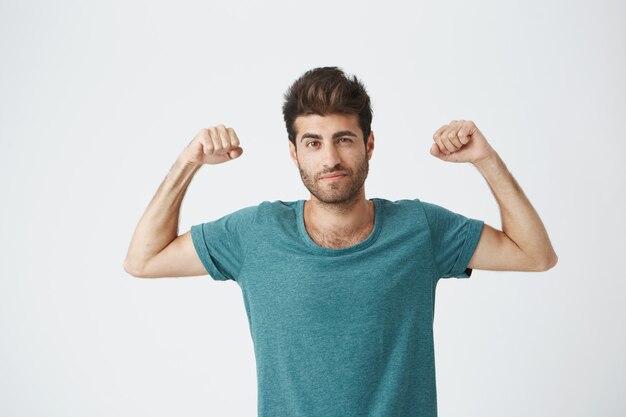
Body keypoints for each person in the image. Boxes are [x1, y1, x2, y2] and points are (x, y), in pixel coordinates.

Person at [123, 66, 557, 417]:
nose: (330, 158)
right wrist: (188, 162)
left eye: (344, 140)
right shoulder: (256, 233)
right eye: (313, 143)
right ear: (294, 153)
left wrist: (485, 159)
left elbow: (535, 255)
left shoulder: (419, 228)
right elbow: (143, 260)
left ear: (369, 144)